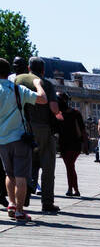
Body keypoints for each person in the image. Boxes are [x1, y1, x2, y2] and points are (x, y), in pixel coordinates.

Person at [0, 57, 47, 223]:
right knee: (21, 176)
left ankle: (11, 203)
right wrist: (38, 84)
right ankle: (19, 211)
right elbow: (42, 99)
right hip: (20, 138)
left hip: (2, 140)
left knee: (9, 174)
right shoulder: (17, 89)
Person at [13, 57, 61, 214]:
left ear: (28, 67)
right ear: (43, 70)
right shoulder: (45, 83)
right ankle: (47, 202)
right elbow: (53, 108)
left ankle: (20, 200)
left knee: (22, 164)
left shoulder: (17, 79)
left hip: (20, 127)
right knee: (48, 165)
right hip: (41, 127)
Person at [56, 93, 87, 196]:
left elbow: (82, 129)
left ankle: (72, 189)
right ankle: (74, 189)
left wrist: (85, 144)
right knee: (70, 166)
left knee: (70, 166)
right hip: (64, 144)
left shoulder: (75, 113)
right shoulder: (59, 114)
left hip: (74, 144)